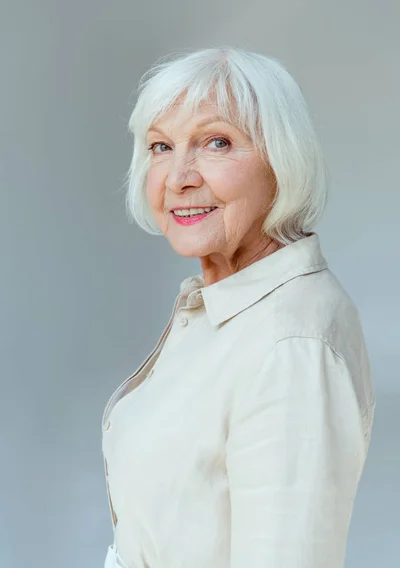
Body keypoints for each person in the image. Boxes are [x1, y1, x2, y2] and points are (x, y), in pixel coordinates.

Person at [101, 46, 376, 568]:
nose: (179, 176)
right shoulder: (225, 305)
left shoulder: (293, 342)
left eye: (216, 142)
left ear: (282, 158)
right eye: (161, 147)